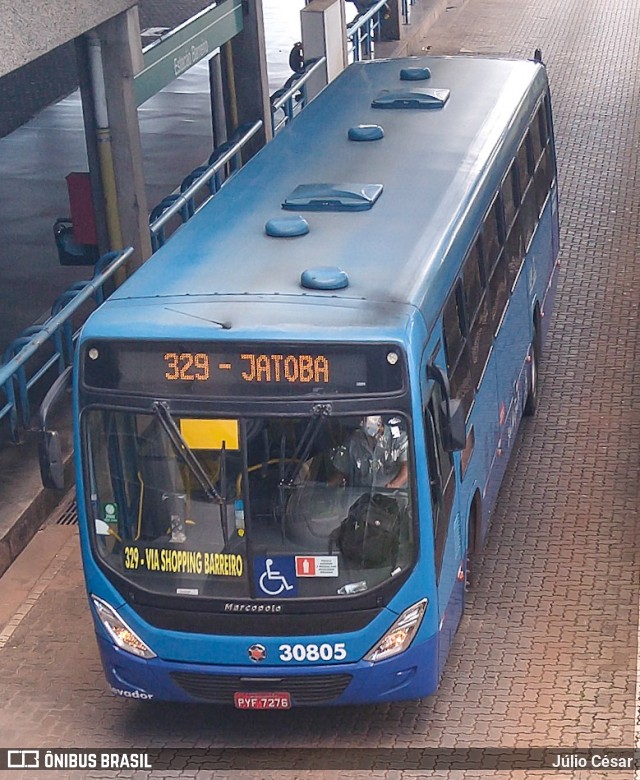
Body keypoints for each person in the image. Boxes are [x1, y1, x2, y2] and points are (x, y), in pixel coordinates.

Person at [330, 416, 409, 489]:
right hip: (362, 500)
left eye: (365, 419)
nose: (361, 422)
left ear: (378, 421)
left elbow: (407, 468)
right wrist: (328, 488)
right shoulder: (354, 441)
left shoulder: (399, 439)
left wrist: (392, 486)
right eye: (361, 418)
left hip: (394, 499)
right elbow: (340, 471)